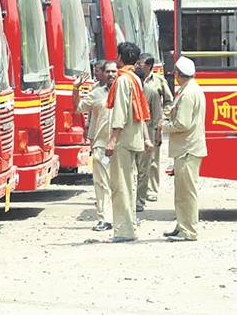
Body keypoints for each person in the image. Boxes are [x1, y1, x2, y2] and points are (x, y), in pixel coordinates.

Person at [105, 42, 152, 242]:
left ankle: (124, 230)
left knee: (120, 185)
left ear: (121, 58)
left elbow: (121, 112)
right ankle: (130, 225)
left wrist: (112, 140)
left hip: (123, 139)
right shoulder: (136, 78)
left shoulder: (124, 80)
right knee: (129, 184)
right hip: (133, 137)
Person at [159, 56, 207, 242]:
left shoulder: (188, 94)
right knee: (182, 192)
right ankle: (182, 225)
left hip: (188, 148)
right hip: (187, 148)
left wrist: (164, 125)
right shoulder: (191, 89)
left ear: (179, 74)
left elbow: (182, 123)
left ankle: (189, 231)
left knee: (187, 193)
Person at [73, 60, 117, 231]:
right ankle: (105, 218)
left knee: (123, 184)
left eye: (114, 71)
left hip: (121, 146)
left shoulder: (125, 91)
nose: (112, 74)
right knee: (102, 183)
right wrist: (76, 89)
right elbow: (78, 108)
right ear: (103, 75)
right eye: (108, 72)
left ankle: (124, 218)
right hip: (101, 145)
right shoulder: (97, 93)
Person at [134, 55, 173, 209]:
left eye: (141, 63)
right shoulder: (134, 79)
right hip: (138, 126)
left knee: (153, 160)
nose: (138, 65)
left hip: (152, 125)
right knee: (139, 162)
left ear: (149, 65)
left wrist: (162, 119)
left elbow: (168, 100)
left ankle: (152, 189)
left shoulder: (158, 82)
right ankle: (138, 191)